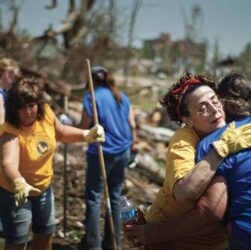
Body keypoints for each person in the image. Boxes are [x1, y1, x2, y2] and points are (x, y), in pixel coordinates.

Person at [124, 72, 251, 250]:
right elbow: (187, 194)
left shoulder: (233, 132)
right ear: (187, 120)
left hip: (210, 241)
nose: (215, 110)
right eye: (202, 108)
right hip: (173, 240)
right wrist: (222, 148)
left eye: (215, 101)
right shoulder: (184, 140)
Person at [0, 77, 105, 250]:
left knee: (46, 232)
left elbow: (62, 133)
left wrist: (86, 134)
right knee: (17, 240)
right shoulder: (11, 131)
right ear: (13, 108)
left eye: (31, 105)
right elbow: (8, 163)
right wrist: (18, 182)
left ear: (38, 104)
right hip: (16, 193)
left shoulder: (46, 113)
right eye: (22, 107)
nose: (28, 112)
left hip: (43, 188)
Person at [78, 66, 136, 250]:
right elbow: (132, 124)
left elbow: (84, 127)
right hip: (123, 151)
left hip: (103, 152)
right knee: (115, 196)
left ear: (92, 80)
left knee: (94, 197)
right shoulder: (121, 96)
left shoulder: (92, 98)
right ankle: (113, 243)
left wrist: (68, 125)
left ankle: (93, 245)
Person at [0, 57, 21, 124]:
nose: (13, 76)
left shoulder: (9, 95)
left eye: (16, 75)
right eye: (11, 72)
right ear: (2, 71)